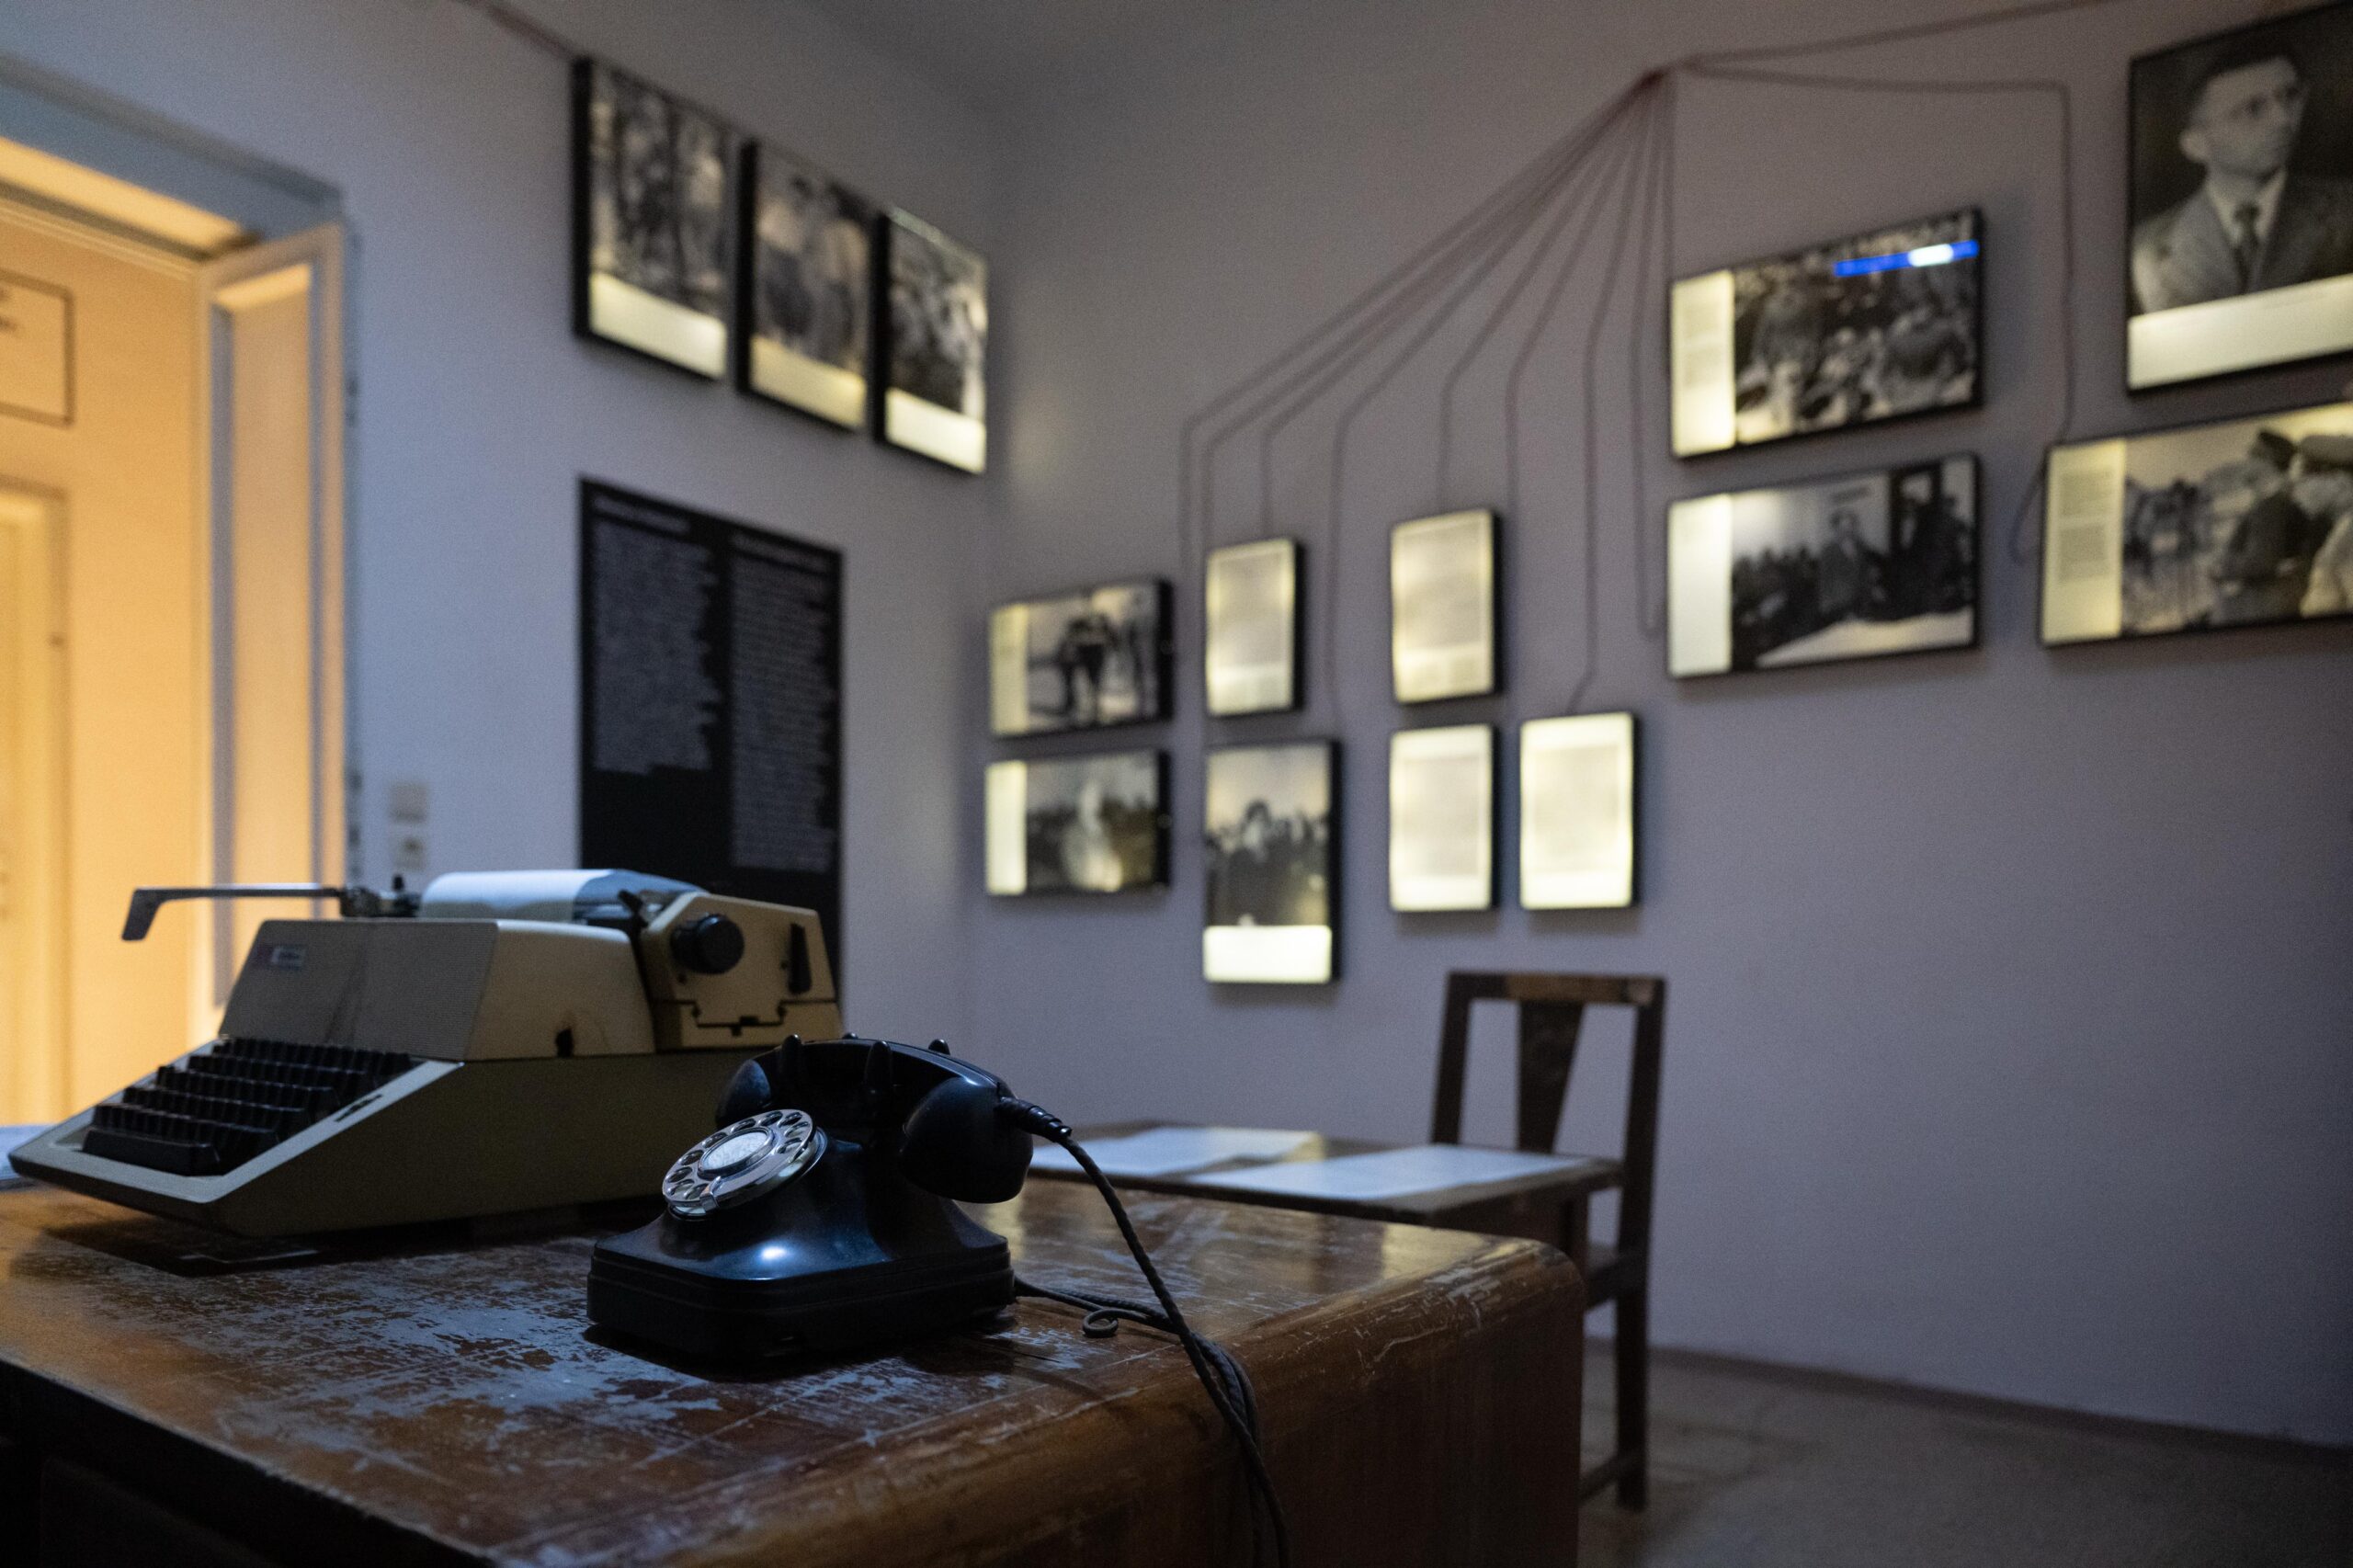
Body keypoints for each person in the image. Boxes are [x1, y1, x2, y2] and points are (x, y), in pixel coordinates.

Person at [2131, 41, 2353, 313]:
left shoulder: (2345, 211)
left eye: (2290, 96)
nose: (2283, 120)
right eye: (2253, 108)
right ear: (2196, 145)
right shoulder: (2146, 247)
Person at [2294, 433, 2353, 617]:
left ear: (2340, 480)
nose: (2300, 485)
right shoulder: (2340, 529)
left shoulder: (2348, 536)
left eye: (2309, 474)